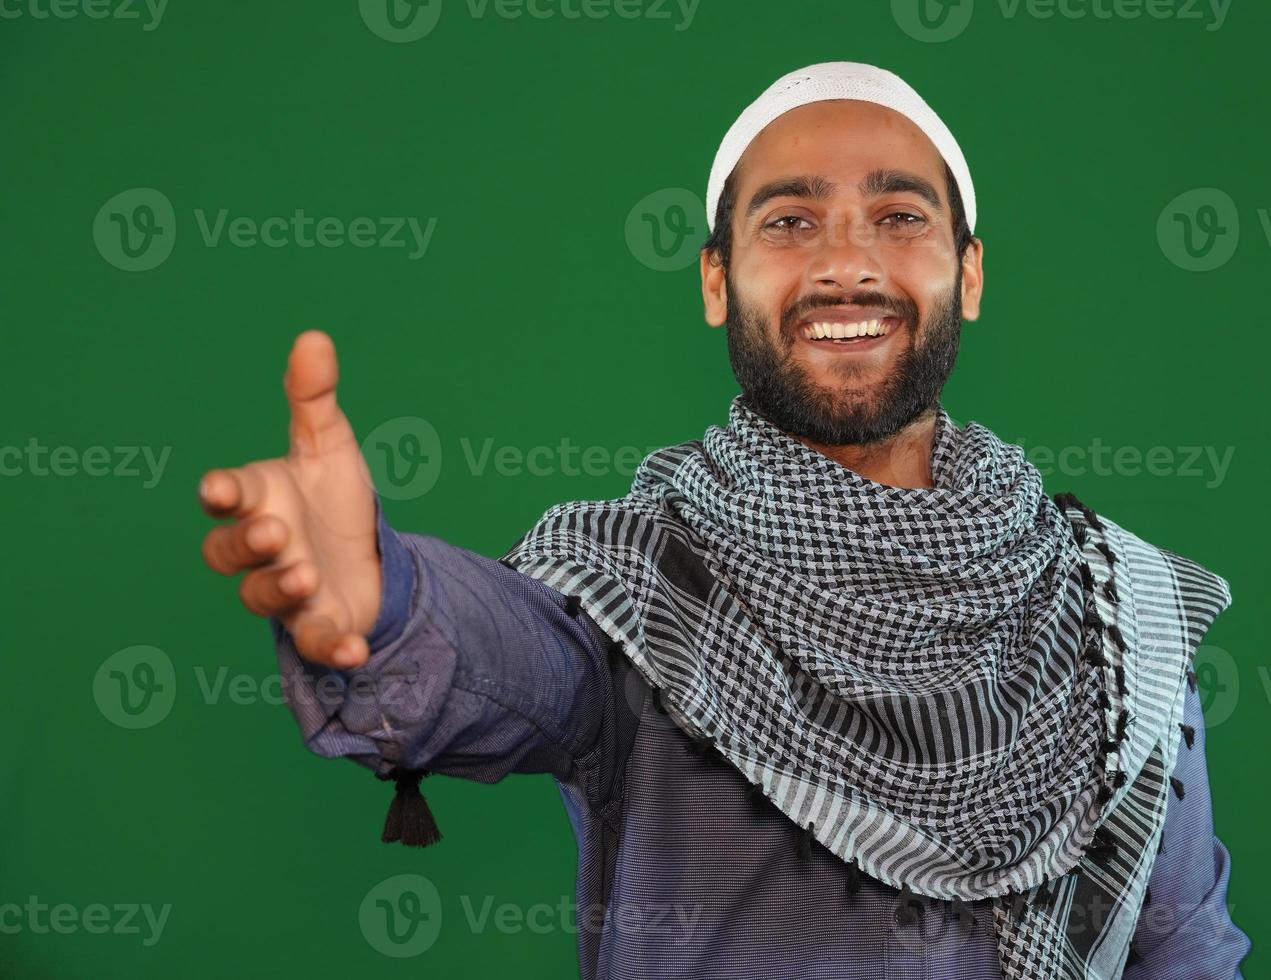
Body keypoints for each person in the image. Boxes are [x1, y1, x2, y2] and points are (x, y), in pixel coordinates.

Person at [197, 62, 1251, 979]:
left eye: (899, 217)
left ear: (966, 273)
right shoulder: (639, 583)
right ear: (715, 277)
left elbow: (1184, 949)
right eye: (788, 221)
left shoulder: (1111, 612)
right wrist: (382, 599)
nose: (845, 262)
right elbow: (508, 659)